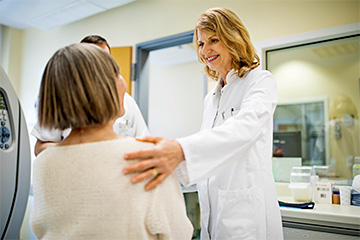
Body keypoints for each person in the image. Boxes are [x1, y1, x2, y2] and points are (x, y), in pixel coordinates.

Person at [123, 7, 284, 240]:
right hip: (213, 212)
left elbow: (245, 128)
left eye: (214, 40)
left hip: (246, 214)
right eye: (200, 44)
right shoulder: (211, 97)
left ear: (233, 38)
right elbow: (211, 151)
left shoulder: (259, 82)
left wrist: (180, 150)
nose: (205, 50)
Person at [30, 43, 193, 239]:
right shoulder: (149, 159)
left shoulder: (44, 164)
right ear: (104, 89)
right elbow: (179, 234)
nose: (124, 83)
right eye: (117, 74)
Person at [31, 35, 149, 156]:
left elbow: (144, 142)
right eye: (94, 60)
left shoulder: (126, 100)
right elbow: (40, 148)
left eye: (105, 60)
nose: (101, 68)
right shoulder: (63, 99)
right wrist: (77, 147)